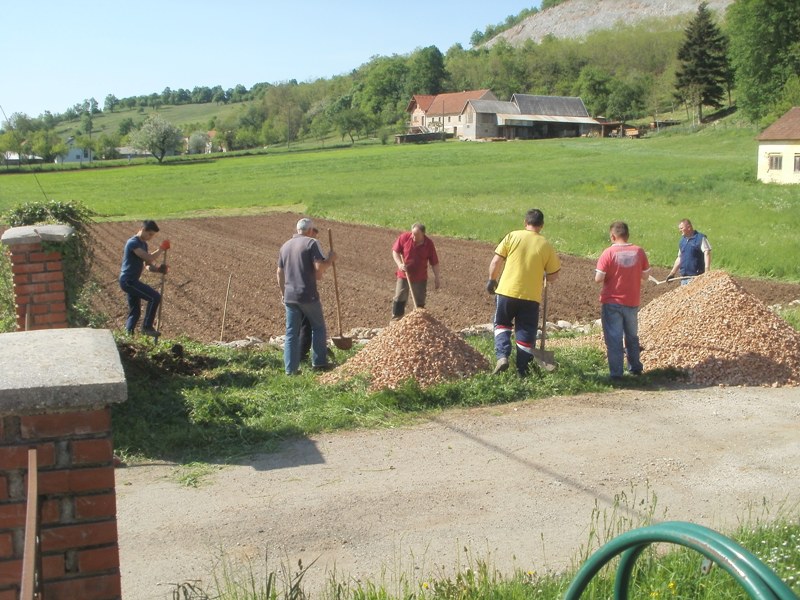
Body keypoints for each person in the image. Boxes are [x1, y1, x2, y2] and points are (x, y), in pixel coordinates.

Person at [487, 209, 560, 377]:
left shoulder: (512, 236)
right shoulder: (545, 245)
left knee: (502, 324)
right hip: (530, 297)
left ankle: (502, 356)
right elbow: (554, 275)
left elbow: (496, 261)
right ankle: (522, 371)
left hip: (506, 292)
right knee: (526, 333)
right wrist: (544, 275)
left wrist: (492, 280)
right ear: (541, 225)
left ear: (525, 222)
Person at [277, 218, 336, 375]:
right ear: (310, 230)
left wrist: (283, 293)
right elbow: (319, 269)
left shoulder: (285, 246)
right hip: (307, 295)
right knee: (318, 327)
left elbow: (279, 272)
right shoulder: (311, 243)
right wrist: (330, 259)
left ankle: (290, 370)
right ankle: (319, 363)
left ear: (298, 230)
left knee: (291, 333)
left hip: (290, 296)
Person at [594, 221, 651, 381]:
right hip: (632, 301)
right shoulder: (639, 252)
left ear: (613, 236)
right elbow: (645, 276)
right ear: (627, 235)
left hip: (612, 301)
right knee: (632, 336)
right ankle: (635, 368)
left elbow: (598, 278)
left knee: (614, 338)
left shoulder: (608, 253)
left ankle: (616, 374)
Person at [119, 220, 170, 336]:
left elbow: (147, 264)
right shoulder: (133, 243)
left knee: (135, 312)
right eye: (150, 234)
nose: (150, 237)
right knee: (155, 297)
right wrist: (161, 249)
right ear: (142, 229)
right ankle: (147, 327)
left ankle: (128, 337)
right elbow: (148, 257)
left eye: (153, 235)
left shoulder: (144, 244)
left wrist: (158, 269)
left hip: (132, 281)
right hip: (128, 281)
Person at [391, 223, 441, 320]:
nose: (413, 237)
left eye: (416, 235)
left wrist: (437, 277)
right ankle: (396, 321)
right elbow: (395, 251)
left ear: (423, 234)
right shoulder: (404, 237)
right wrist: (400, 264)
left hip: (420, 277)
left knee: (419, 301)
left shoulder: (429, 244)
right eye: (413, 234)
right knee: (399, 299)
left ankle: (418, 322)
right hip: (404, 275)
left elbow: (434, 262)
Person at [666, 219, 711, 284]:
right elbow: (680, 258)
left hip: (696, 277)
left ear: (689, 227)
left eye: (681, 228)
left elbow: (707, 253)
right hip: (684, 278)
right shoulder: (682, 241)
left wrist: (707, 269)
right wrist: (672, 273)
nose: (680, 230)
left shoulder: (700, 238)